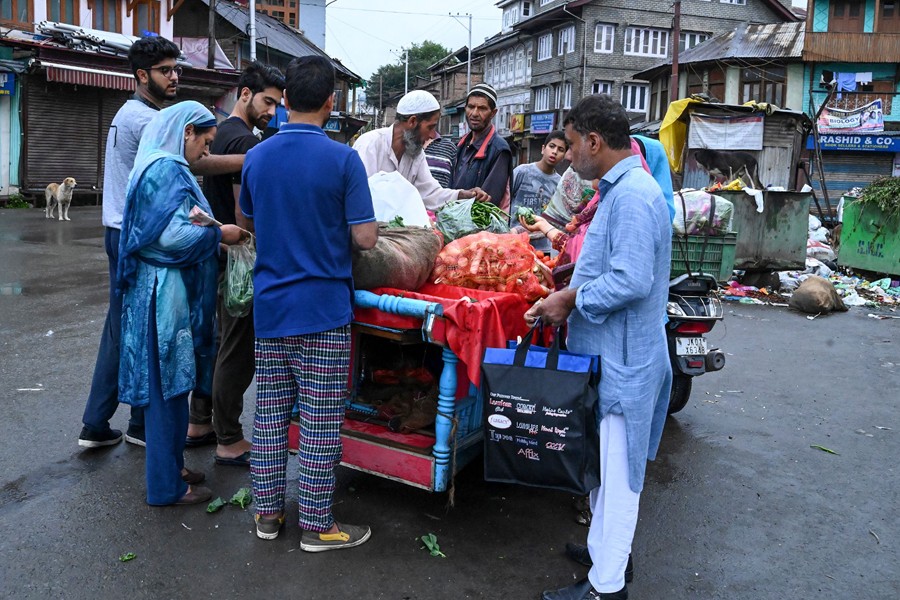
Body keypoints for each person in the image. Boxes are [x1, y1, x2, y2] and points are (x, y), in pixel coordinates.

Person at [527, 94, 673, 600]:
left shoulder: (632, 195)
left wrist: (571, 298)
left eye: (569, 145)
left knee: (619, 478)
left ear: (593, 141)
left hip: (625, 362)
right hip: (613, 356)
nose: (566, 155)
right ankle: (604, 551)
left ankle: (606, 588)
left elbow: (632, 280)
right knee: (603, 473)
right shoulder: (619, 188)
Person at [78, 36, 244, 450]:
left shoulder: (135, 113)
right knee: (137, 327)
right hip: (135, 234)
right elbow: (193, 163)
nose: (174, 77)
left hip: (125, 230)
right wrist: (251, 159)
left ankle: (113, 422)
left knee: (127, 325)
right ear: (141, 76)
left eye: (176, 69)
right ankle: (120, 422)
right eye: (165, 71)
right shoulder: (146, 120)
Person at [240, 56, 377, 549]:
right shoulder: (344, 159)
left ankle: (268, 516)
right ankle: (318, 526)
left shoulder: (257, 157)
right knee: (319, 420)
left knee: (271, 415)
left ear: (287, 98)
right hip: (323, 311)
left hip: (272, 307)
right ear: (330, 102)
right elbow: (364, 239)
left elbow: (249, 223)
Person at [117, 101, 248, 506]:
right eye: (206, 143)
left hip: (161, 293)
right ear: (187, 132)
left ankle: (171, 468)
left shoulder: (158, 163)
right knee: (166, 395)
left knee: (172, 388)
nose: (206, 154)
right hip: (163, 297)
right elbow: (169, 238)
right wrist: (220, 234)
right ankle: (164, 487)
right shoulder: (166, 168)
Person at [186, 61, 285, 467]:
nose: (272, 111)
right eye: (267, 101)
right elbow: (246, 212)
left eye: (277, 105)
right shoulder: (244, 143)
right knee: (237, 348)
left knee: (217, 340)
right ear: (244, 93)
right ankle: (228, 437)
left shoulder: (219, 134)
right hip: (238, 254)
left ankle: (198, 422)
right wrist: (253, 248)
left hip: (217, 253)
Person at [352, 89, 489, 210]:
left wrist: (462, 195)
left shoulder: (416, 153)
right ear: (412, 121)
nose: (431, 135)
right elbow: (359, 197)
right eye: (430, 127)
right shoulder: (370, 144)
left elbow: (430, 193)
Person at [451, 82, 513, 210]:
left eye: (482, 108)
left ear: (493, 113)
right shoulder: (461, 145)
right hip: (454, 219)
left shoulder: (499, 149)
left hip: (478, 226)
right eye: (471, 106)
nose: (474, 113)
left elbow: (489, 201)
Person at [509, 130, 567, 251]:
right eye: (552, 146)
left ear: (564, 156)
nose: (555, 152)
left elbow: (556, 221)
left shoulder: (560, 184)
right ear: (543, 149)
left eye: (561, 150)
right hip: (515, 242)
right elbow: (505, 201)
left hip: (543, 248)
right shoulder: (522, 172)